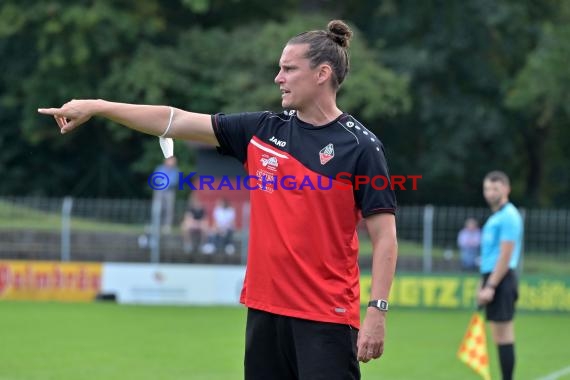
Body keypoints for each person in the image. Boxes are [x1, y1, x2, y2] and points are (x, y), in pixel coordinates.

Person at [38, 19, 398, 379]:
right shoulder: (262, 131)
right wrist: (99, 106)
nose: (278, 77)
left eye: (288, 68)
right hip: (265, 313)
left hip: (326, 319)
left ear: (322, 74)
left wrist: (376, 312)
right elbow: (174, 120)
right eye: (279, 68)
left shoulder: (361, 147)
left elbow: (385, 237)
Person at [477, 171, 523, 380]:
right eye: (487, 188)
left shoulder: (509, 216)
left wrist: (491, 286)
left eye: (495, 188)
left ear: (506, 189)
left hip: (501, 279)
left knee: (504, 334)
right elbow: (489, 256)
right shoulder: (496, 217)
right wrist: (483, 283)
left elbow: (505, 255)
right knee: (498, 335)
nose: (490, 193)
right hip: (492, 277)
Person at [152, 156, 179, 233]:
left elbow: (174, 181)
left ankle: (167, 226)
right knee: (157, 208)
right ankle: (156, 224)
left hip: (169, 191)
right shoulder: (159, 168)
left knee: (169, 209)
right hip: (159, 190)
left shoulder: (175, 171)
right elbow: (156, 178)